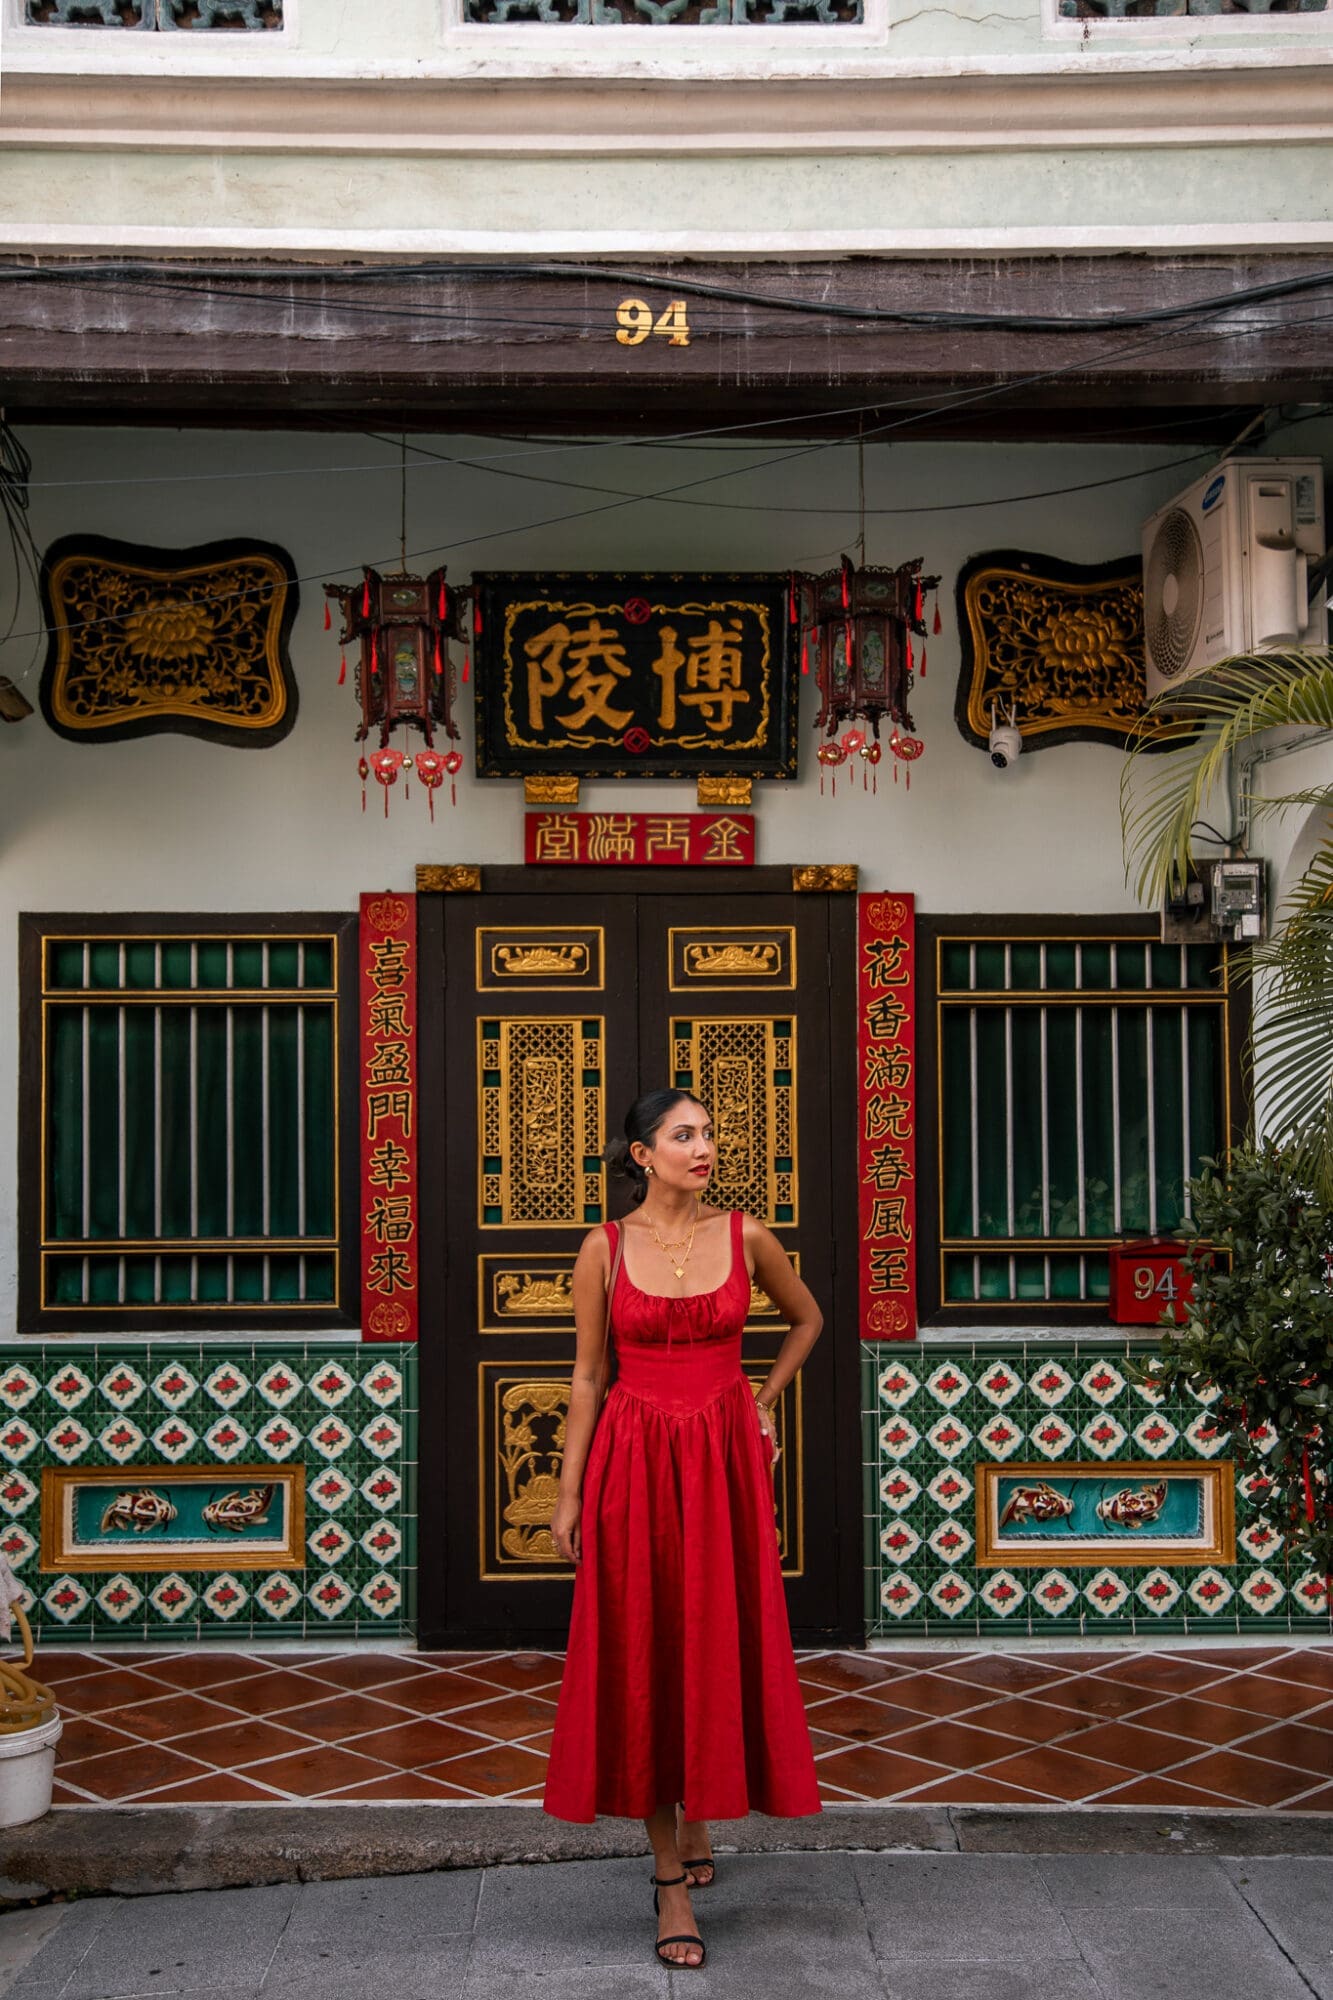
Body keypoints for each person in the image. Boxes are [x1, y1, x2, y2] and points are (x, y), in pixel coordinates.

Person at [542, 1087, 824, 1970]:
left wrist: (762, 1400)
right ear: (641, 1154)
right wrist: (566, 1492)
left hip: (722, 1459)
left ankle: (699, 1807)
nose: (703, 1148)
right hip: (632, 1455)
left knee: (710, 1632)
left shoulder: (745, 1236)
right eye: (683, 1135)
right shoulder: (601, 1248)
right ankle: (668, 1873)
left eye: (708, 1134)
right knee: (643, 1643)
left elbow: (807, 1318)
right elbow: (588, 1378)